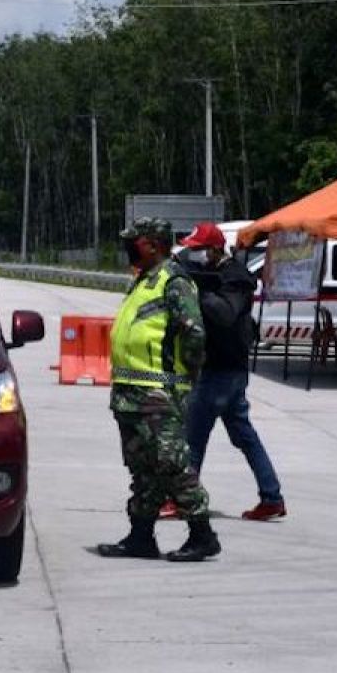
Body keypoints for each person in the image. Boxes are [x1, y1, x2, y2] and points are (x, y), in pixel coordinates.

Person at [97, 217, 221, 563]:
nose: (128, 247)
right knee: (143, 469)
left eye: (133, 241)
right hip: (131, 393)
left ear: (152, 243)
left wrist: (188, 377)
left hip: (159, 393)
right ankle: (140, 536)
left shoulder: (174, 280)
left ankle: (202, 534)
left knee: (172, 465)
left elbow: (193, 333)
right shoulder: (143, 281)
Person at [174, 222, 286, 521]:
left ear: (213, 250)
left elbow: (225, 314)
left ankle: (182, 499)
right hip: (225, 370)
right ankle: (271, 496)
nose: (192, 255)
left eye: (197, 250)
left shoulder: (236, 278)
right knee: (245, 437)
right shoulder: (221, 274)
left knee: (192, 438)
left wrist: (196, 291)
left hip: (220, 371)